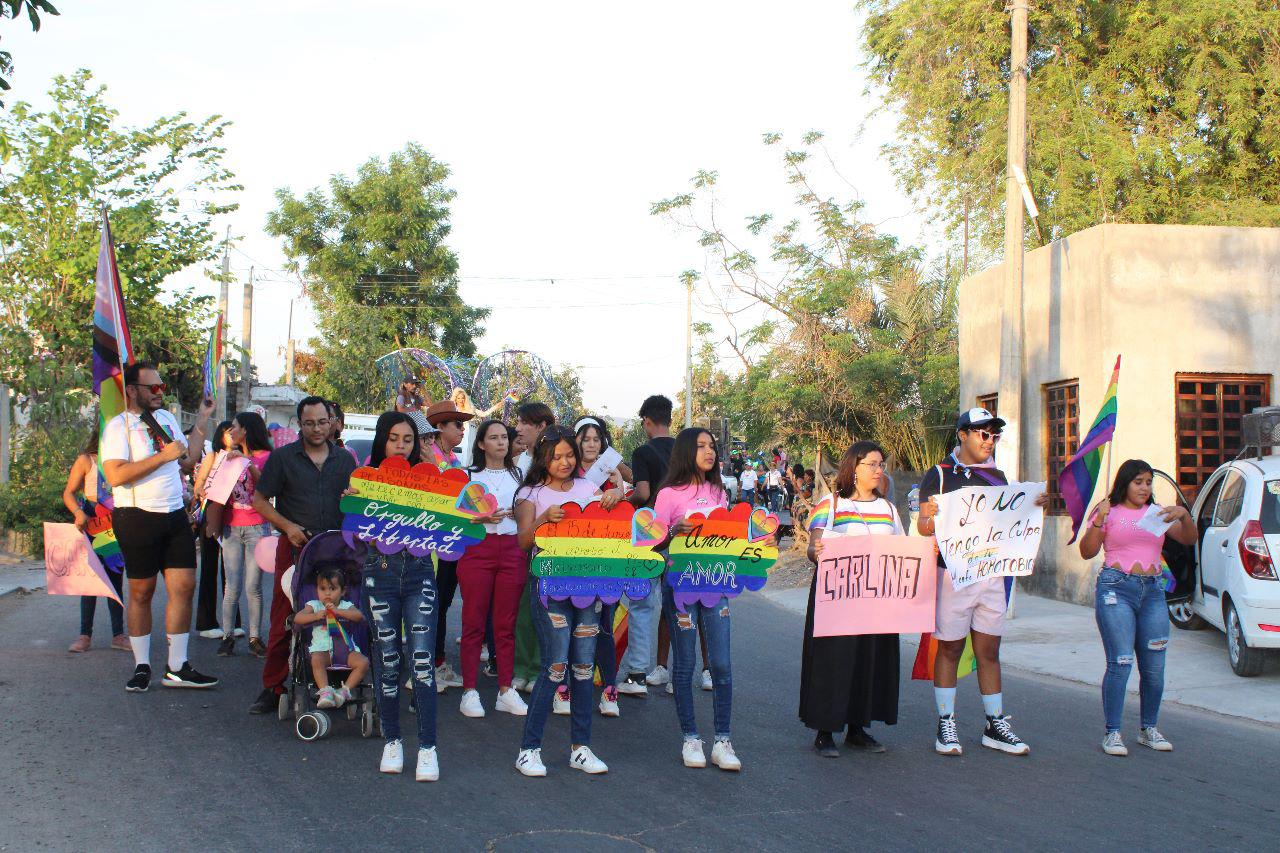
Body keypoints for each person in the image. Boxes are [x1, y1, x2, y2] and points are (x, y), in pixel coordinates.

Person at [917, 407, 1049, 756]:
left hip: (991, 575)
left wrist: (1035, 506)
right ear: (963, 435)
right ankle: (946, 723)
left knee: (989, 651)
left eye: (994, 435)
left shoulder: (998, 477)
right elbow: (923, 526)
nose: (990, 441)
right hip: (953, 576)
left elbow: (1011, 519)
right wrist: (930, 518)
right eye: (983, 434)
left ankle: (995, 724)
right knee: (950, 648)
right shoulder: (939, 475)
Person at [513, 426, 623, 777]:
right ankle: (529, 750)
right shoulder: (530, 493)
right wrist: (544, 519)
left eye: (569, 455)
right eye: (556, 456)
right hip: (549, 589)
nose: (565, 462)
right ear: (543, 458)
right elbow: (523, 541)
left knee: (584, 667)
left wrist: (614, 495)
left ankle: (581, 747)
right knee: (555, 665)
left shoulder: (588, 488)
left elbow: (612, 525)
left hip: (589, 588)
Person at [101, 361, 217, 692]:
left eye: (162, 386)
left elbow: (187, 460)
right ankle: (142, 666)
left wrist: (203, 418)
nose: (159, 392)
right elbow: (115, 475)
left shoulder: (166, 418)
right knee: (142, 591)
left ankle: (178, 666)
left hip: (173, 513)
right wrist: (162, 457)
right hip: (137, 515)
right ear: (132, 390)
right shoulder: (119, 427)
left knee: (184, 587)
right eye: (152, 387)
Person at [246, 396, 358, 715]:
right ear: (300, 424)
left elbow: (356, 504)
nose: (317, 429)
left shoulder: (345, 460)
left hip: (335, 549)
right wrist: (287, 526)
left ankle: (335, 681)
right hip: (294, 546)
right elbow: (259, 500)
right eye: (309, 423)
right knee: (285, 617)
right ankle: (273, 686)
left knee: (337, 615)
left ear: (332, 422)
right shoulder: (283, 458)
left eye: (322, 422)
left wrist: (354, 498)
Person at [652, 427, 752, 771]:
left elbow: (731, 538)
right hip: (679, 587)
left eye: (712, 446)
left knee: (721, 664)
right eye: (701, 446)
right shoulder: (668, 494)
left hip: (717, 586)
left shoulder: (719, 492)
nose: (710, 451)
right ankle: (691, 738)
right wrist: (672, 532)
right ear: (685, 451)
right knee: (685, 664)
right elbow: (651, 544)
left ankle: (723, 740)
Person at [1079, 459, 1195, 756]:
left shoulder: (1157, 513)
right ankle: (1112, 733)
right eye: (1138, 482)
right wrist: (1099, 520)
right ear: (1125, 483)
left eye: (1148, 482)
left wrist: (1184, 515)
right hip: (1116, 591)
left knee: (1154, 667)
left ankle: (1148, 729)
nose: (1144, 488)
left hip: (1153, 593)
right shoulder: (1107, 510)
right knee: (1120, 662)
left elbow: (1189, 539)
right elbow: (1087, 551)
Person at [348, 411, 440, 780]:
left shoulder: (429, 479)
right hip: (380, 574)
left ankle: (428, 748)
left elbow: (457, 514)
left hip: (419, 574)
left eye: (408, 439)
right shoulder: (366, 477)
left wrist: (475, 514)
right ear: (382, 440)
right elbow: (355, 532)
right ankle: (393, 740)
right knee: (387, 661)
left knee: (422, 663)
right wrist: (352, 505)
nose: (401, 445)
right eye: (394, 438)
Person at [801, 441, 902, 757]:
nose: (878, 470)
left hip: (875, 600)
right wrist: (816, 551)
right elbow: (813, 548)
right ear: (853, 468)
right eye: (872, 464)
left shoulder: (888, 509)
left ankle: (858, 729)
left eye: (881, 464)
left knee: (869, 661)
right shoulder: (831, 504)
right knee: (833, 660)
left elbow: (901, 549)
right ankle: (825, 731)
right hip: (838, 599)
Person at [456, 418, 529, 718]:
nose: (501, 442)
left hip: (512, 550)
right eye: (494, 437)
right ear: (481, 443)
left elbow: (530, 511)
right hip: (477, 550)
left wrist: (518, 513)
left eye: (504, 437)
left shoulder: (521, 474)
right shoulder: (468, 475)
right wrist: (481, 518)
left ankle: (505, 689)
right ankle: (469, 690)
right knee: (473, 621)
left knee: (506, 623)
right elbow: (456, 516)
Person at [570, 416, 632, 717]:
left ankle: (609, 689)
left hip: (607, 561)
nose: (591, 444)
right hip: (573, 560)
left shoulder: (612, 472)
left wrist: (619, 489)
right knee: (572, 625)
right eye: (586, 439)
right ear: (576, 442)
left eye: (596, 439)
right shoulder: (567, 471)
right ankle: (565, 687)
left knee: (605, 624)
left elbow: (628, 506)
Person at [618, 394, 675, 697]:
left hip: (650, 536)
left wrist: (621, 502)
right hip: (682, 537)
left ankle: (637, 675)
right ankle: (679, 675)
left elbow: (642, 493)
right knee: (679, 607)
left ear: (647, 421)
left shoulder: (643, 452)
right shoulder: (686, 450)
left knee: (641, 604)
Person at [210, 412, 273, 657]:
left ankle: (255, 637)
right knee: (232, 585)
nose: (231, 431)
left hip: (257, 526)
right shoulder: (226, 457)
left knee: (253, 586)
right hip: (231, 527)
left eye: (234, 427)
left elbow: (267, 487)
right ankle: (227, 636)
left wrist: (246, 462)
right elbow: (215, 488)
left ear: (245, 430)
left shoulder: (266, 457)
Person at [422, 399, 473, 692]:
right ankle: (430, 665)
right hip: (430, 544)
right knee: (433, 603)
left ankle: (436, 662)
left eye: (463, 425)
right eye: (457, 424)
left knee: (441, 603)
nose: (462, 430)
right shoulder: (427, 457)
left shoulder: (451, 458)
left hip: (451, 542)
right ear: (439, 427)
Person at [61, 432, 127, 653]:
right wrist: (78, 512)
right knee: (89, 582)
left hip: (115, 528)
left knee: (115, 579)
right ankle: (84, 635)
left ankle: (118, 635)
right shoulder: (86, 460)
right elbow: (68, 493)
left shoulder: (122, 462)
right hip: (91, 526)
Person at [511, 402, 556, 691]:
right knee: (522, 612)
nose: (518, 428)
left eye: (524, 423)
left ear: (542, 427)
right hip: (518, 546)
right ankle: (521, 668)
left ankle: (541, 668)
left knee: (548, 611)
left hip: (551, 553)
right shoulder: (514, 464)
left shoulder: (558, 466)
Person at [293, 564, 369, 710]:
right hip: (323, 651)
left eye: (332, 589)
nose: (327, 593)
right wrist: (315, 616)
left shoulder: (346, 606)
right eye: (322, 589)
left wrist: (338, 612)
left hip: (346, 651)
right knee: (316, 660)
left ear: (343, 591)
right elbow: (298, 618)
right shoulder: (314, 605)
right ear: (317, 590)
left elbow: (358, 616)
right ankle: (325, 692)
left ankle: (344, 691)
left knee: (363, 663)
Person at [192, 421, 234, 640]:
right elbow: (198, 486)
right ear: (221, 435)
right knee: (209, 567)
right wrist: (207, 491)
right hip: (211, 514)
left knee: (232, 571)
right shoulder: (213, 456)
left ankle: (233, 622)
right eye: (229, 432)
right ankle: (206, 622)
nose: (234, 436)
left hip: (234, 516)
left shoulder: (240, 458)